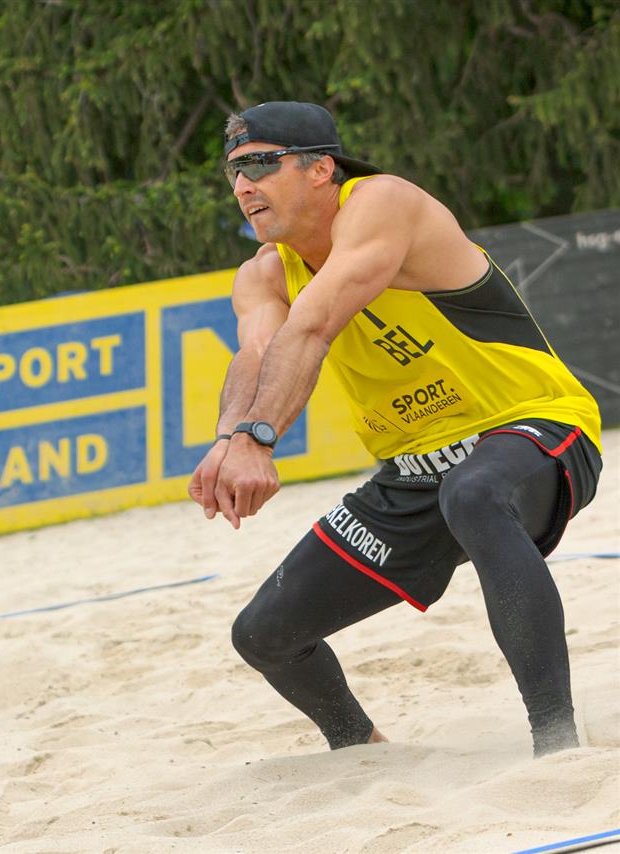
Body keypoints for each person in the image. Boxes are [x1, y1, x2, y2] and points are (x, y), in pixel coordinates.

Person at [189, 102, 602, 757]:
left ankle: (557, 742)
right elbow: (258, 354)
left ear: (321, 168)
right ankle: (363, 750)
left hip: (533, 426)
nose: (243, 185)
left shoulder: (383, 203)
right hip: (414, 474)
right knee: (264, 636)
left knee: (474, 492)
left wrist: (257, 440)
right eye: (233, 171)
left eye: (261, 164)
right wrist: (227, 438)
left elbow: (313, 327)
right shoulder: (263, 273)